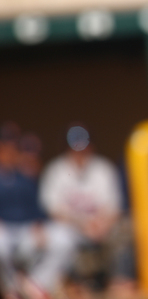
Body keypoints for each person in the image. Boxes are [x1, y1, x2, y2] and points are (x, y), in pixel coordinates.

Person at [38, 124, 125, 296]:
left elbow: (115, 207)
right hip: (70, 227)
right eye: (74, 147)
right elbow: (52, 210)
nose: (79, 152)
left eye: (83, 146)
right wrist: (82, 224)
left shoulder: (103, 168)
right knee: (59, 238)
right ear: (67, 148)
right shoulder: (56, 170)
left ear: (91, 146)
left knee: (125, 229)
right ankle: (67, 281)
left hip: (101, 226)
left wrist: (102, 224)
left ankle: (119, 279)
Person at [0, 122, 76, 299]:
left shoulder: (25, 177)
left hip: (26, 230)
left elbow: (38, 208)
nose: (10, 152)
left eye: (13, 147)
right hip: (4, 231)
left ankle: (35, 284)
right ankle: (12, 289)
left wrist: (39, 223)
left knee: (64, 238)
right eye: (5, 147)